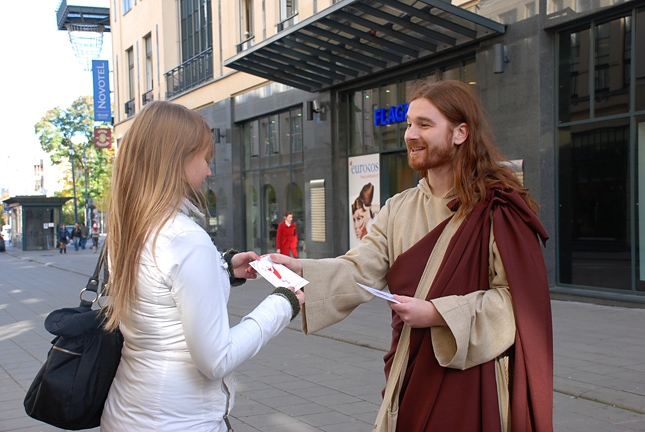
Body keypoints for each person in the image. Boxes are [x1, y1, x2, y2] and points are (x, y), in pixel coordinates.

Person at [270, 80, 553, 431]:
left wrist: (437, 313)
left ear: (460, 133)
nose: (410, 134)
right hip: (410, 367)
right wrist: (299, 268)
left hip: (474, 377)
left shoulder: (498, 208)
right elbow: (361, 268)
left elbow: (517, 303)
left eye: (424, 124)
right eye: (408, 124)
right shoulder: (398, 208)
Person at [100, 101, 304, 431]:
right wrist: (284, 302)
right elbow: (216, 360)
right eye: (205, 159)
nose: (209, 171)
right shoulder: (184, 238)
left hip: (128, 412)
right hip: (180, 420)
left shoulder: (131, 226)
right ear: (176, 158)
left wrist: (223, 268)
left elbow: (160, 293)